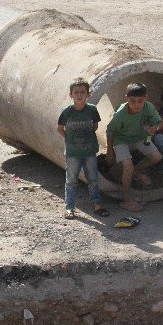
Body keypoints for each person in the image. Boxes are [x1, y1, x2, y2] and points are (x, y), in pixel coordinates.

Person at [106, 83, 162, 212]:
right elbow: (110, 132)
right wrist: (110, 151)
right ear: (126, 98)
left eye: (140, 101)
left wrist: (154, 128)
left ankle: (136, 172)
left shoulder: (147, 107)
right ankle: (126, 200)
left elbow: (156, 121)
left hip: (139, 137)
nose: (136, 104)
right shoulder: (120, 114)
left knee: (156, 157)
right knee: (127, 166)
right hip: (121, 140)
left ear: (145, 98)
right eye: (132, 101)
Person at [57, 78, 108, 220]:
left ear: (88, 95)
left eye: (82, 92)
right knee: (71, 180)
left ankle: (97, 204)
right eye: (76, 92)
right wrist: (69, 139)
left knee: (92, 178)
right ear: (70, 95)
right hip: (73, 153)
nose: (79, 95)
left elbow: (95, 125)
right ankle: (69, 207)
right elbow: (60, 128)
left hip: (89, 151)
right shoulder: (67, 112)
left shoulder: (92, 109)